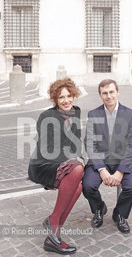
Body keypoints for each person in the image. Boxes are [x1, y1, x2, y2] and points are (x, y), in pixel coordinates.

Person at [28, 78, 84, 255]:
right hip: (43, 164)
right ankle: (53, 224)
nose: (66, 100)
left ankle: (53, 231)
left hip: (62, 163)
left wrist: (77, 157)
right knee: (77, 169)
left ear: (74, 95)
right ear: (55, 100)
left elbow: (76, 144)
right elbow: (47, 150)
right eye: (61, 97)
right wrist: (73, 160)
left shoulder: (76, 113)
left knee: (79, 186)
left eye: (69, 96)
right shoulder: (47, 117)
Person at [82, 79, 132, 234]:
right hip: (100, 160)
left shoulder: (130, 114)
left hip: (123, 160)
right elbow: (90, 143)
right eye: (105, 93)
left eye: (111, 92)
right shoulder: (93, 114)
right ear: (100, 95)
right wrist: (101, 169)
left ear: (117, 92)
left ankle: (120, 214)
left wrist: (120, 171)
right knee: (87, 186)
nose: (109, 96)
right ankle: (99, 208)